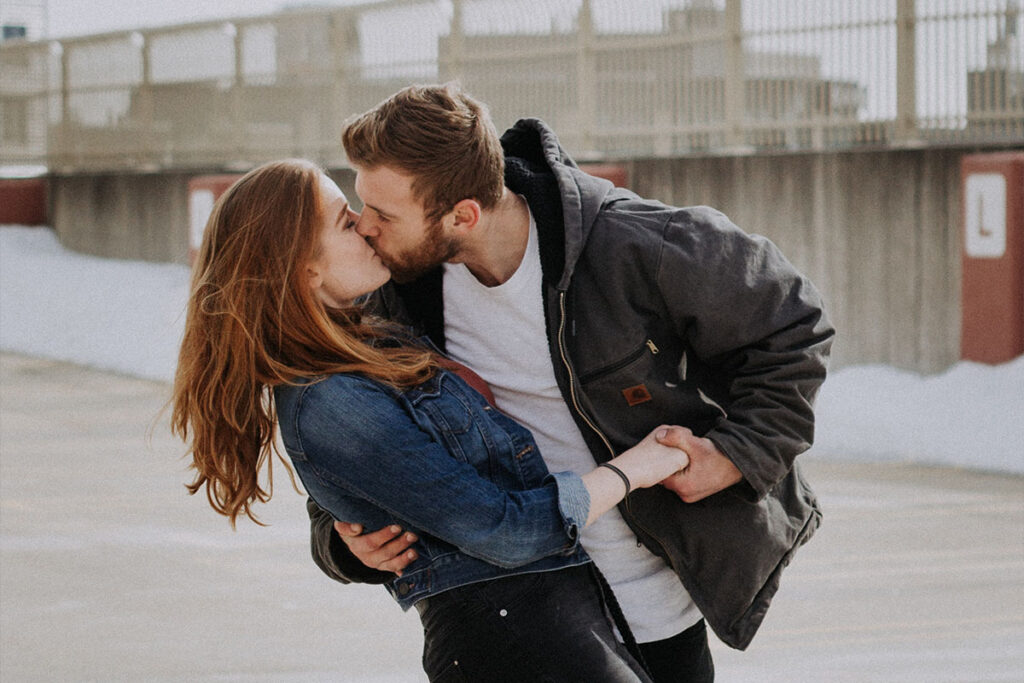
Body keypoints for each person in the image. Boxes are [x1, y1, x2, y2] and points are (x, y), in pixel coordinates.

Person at [307, 83, 835, 682]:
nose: (364, 226)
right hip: (517, 620)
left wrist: (737, 455)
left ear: (463, 215)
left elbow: (794, 326)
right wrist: (340, 543)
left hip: (653, 607)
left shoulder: (632, 246)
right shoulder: (398, 291)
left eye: (383, 214)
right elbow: (343, 430)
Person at [170, 158, 701, 682]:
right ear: (303, 270)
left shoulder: (371, 334)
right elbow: (504, 529)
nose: (365, 225)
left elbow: (394, 483)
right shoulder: (326, 400)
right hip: (515, 641)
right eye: (344, 221)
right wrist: (639, 466)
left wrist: (344, 540)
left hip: (573, 616)